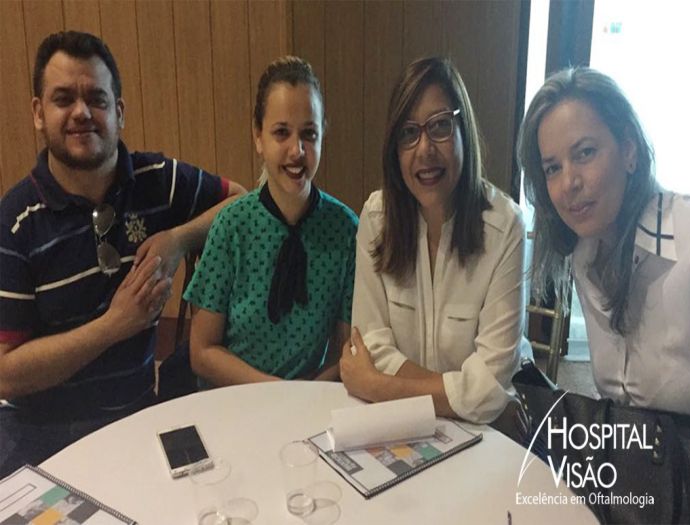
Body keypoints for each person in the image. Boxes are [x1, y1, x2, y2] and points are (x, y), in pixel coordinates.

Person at [0, 31, 245, 476]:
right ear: (38, 113)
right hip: (44, 439)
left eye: (96, 98)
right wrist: (113, 326)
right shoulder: (14, 223)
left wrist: (179, 238)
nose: (81, 112)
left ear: (119, 111)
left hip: (136, 420)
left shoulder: (157, 178)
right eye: (63, 99)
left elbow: (241, 203)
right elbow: (6, 373)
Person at [339, 57, 528, 436]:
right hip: (414, 426)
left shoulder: (505, 226)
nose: (424, 149)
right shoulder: (376, 218)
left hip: (486, 436)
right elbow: (371, 345)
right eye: (409, 133)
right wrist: (464, 399)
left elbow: (490, 385)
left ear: (463, 130)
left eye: (440, 126)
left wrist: (377, 386)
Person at [518, 67, 690, 416]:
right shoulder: (584, 253)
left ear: (629, 150)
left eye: (585, 153)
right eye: (553, 168)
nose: (569, 183)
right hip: (631, 448)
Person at [184, 56, 357, 386]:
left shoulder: (346, 230)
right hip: (235, 397)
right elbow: (202, 351)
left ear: (323, 135)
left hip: (309, 398)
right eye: (281, 133)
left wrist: (303, 397)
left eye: (309, 134)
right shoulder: (231, 225)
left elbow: (345, 350)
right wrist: (275, 393)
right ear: (258, 137)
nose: (297, 150)